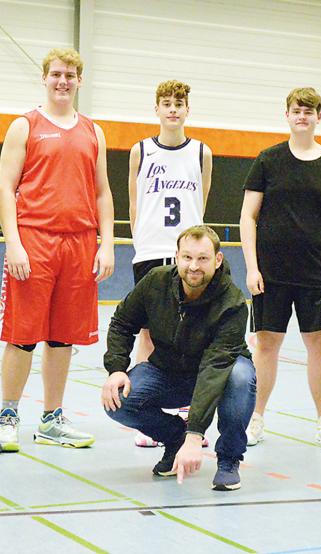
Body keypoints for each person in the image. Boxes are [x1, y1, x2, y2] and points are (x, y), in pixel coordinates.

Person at [0, 48, 114, 451]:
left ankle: (52, 418)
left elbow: (102, 192)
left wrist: (107, 244)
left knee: (63, 338)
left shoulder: (93, 131)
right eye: (57, 74)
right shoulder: (24, 126)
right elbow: (5, 188)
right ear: (45, 78)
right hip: (35, 241)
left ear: (80, 80)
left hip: (80, 245)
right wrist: (14, 243)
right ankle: (8, 414)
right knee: (23, 336)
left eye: (71, 75)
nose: (63, 81)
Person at [240, 87, 321, 450]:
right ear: (286, 116)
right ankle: (253, 419)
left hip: (316, 276)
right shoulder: (268, 160)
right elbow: (248, 215)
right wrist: (252, 267)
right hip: (271, 274)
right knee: (266, 345)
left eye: (309, 111)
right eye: (296, 110)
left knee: (319, 346)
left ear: (319, 117)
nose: (302, 116)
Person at [102, 226, 255, 491]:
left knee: (241, 376)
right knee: (119, 401)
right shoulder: (156, 282)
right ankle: (174, 439)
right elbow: (123, 322)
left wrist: (196, 434)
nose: (194, 266)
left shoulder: (233, 304)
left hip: (217, 375)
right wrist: (116, 368)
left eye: (203, 259)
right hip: (169, 370)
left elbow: (215, 366)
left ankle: (228, 459)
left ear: (217, 260)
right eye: (187, 257)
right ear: (177, 257)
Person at [128, 79, 212, 448]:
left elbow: (202, 204)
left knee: (194, 331)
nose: (173, 109)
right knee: (148, 333)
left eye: (179, 103)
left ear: (187, 109)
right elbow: (134, 204)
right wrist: (142, 241)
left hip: (188, 255)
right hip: (150, 252)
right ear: (157, 108)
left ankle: (190, 413)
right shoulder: (141, 151)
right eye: (167, 103)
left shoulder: (201, 152)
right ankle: (149, 414)